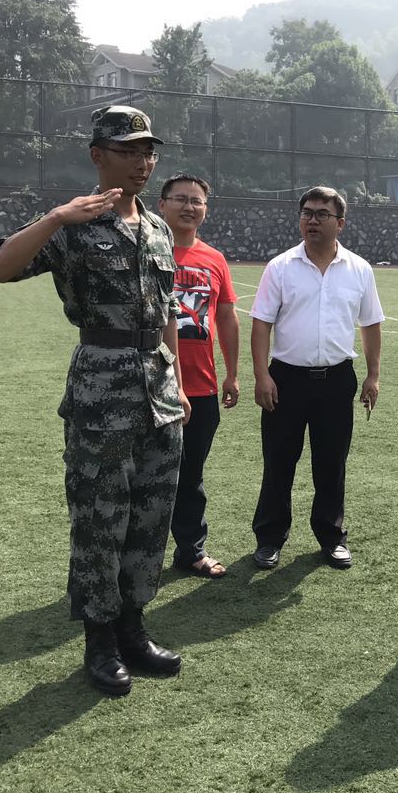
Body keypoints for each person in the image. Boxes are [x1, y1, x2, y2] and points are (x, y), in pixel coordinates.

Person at [0, 105, 189, 697]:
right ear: (98, 155)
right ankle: (99, 643)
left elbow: (167, 310)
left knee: (150, 517)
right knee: (101, 519)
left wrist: (177, 380)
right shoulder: (73, 224)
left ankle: (133, 629)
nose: (142, 162)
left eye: (148, 151)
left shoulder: (157, 228)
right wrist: (56, 216)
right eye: (129, 151)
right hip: (102, 390)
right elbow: (0, 269)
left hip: (158, 391)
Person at [248, 186, 383, 570]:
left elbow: (371, 324)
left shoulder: (359, 269)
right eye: (307, 212)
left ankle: (331, 535)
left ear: (340, 223)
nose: (312, 220)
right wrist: (261, 375)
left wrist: (373, 375)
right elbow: (261, 324)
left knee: (331, 462)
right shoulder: (280, 267)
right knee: (278, 461)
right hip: (286, 379)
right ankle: (270, 538)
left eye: (322, 214)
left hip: (337, 380)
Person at [157, 173, 240, 579]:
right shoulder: (147, 250)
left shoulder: (214, 259)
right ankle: (139, 555)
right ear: (162, 204)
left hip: (202, 386)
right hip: (152, 385)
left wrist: (232, 374)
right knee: (148, 475)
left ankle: (190, 550)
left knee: (190, 476)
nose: (189, 207)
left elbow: (226, 317)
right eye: (180, 199)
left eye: (197, 201)